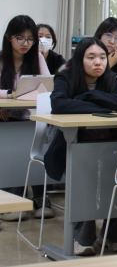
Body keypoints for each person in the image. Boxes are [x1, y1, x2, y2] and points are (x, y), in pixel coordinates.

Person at [47, 37, 117, 255]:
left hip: (110, 142)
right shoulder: (65, 77)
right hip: (75, 143)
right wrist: (104, 106)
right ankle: (83, 237)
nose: (98, 62)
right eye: (91, 57)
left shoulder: (113, 78)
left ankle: (113, 235)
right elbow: (59, 104)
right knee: (85, 174)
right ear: (79, 60)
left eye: (102, 57)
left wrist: (87, 96)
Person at [0, 15, 51, 222]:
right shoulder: (1, 59)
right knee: (13, 151)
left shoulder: (36, 58)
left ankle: (40, 198)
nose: (25, 44)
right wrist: (7, 97)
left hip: (31, 117)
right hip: (6, 120)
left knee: (38, 149)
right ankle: (13, 199)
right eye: (20, 38)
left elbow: (48, 86)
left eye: (30, 39)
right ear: (8, 37)